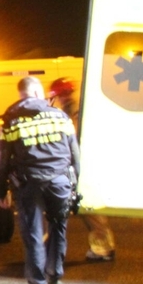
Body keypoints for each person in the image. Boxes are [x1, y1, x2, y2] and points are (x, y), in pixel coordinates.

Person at [0, 77, 80, 284]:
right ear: (38, 92)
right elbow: (74, 153)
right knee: (58, 229)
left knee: (33, 234)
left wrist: (0, 190)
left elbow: (1, 162)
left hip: (30, 184)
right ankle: (55, 279)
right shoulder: (61, 117)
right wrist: (76, 184)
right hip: (60, 181)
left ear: (22, 94)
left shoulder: (11, 121)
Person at [47, 77, 116, 262]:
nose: (58, 99)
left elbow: (73, 139)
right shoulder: (73, 110)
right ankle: (50, 243)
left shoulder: (75, 113)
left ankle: (103, 247)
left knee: (85, 207)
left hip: (81, 166)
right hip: (77, 165)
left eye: (58, 95)